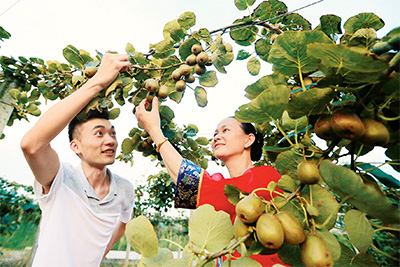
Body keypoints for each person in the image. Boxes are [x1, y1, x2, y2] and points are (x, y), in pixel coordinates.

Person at [134, 96, 288, 266]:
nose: (216, 137)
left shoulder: (266, 176)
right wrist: (155, 134)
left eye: (225, 130)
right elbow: (185, 183)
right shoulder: (230, 186)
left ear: (248, 140)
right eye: (215, 133)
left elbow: (195, 184)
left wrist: (155, 131)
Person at [20, 54, 134, 267]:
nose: (110, 140)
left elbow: (123, 224)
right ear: (76, 146)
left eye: (113, 133)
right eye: (99, 134)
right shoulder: (60, 178)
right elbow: (31, 145)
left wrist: (98, 257)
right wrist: (98, 82)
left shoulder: (125, 189)